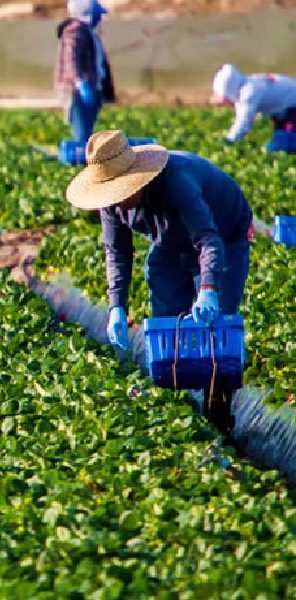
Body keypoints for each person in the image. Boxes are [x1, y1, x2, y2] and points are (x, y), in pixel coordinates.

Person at [65, 130, 254, 434]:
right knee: (168, 316)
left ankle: (219, 414)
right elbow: (117, 253)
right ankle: (177, 413)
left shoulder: (177, 182)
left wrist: (208, 289)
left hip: (223, 234)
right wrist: (117, 306)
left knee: (216, 327)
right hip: (169, 241)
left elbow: (209, 240)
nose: (118, 199)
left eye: (122, 191)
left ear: (137, 179)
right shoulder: (111, 204)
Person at [55, 0, 115, 144]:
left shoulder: (88, 32)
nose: (99, 18)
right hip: (77, 91)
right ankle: (81, 158)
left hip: (90, 88)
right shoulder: (75, 31)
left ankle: (86, 154)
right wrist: (81, 83)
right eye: (96, 15)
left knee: (88, 131)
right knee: (81, 131)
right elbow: (71, 58)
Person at [212, 64, 296, 152]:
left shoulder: (248, 94)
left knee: (280, 146)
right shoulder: (250, 83)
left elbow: (243, 122)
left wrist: (229, 141)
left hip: (292, 108)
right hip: (284, 110)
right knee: (278, 141)